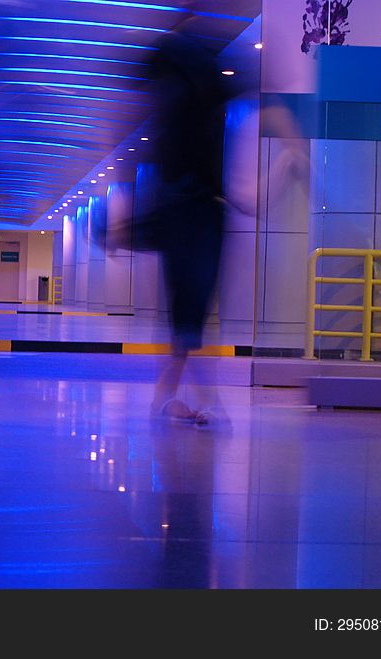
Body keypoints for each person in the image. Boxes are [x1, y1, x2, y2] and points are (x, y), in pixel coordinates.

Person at [144, 8, 232, 425]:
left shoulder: (191, 62)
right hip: (190, 203)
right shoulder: (178, 58)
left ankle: (170, 398)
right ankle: (194, 398)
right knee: (191, 303)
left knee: (191, 304)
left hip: (191, 202)